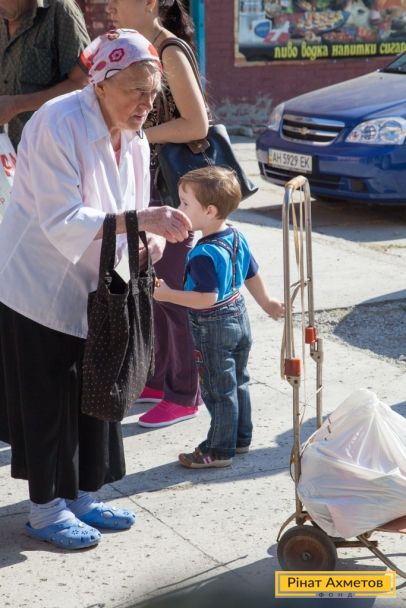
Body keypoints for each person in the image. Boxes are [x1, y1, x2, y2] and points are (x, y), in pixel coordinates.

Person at [0, 29, 192, 550]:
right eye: (135, 92)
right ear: (101, 84)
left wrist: (151, 240)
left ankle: (85, 495)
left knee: (98, 390)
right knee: (49, 401)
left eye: (153, 93)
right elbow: (63, 219)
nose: (146, 104)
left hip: (102, 286)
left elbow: (136, 210)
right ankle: (45, 509)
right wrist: (142, 221)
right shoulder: (57, 122)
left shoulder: (137, 136)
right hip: (39, 285)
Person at [106, 0, 209, 428]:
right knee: (150, 287)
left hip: (173, 189)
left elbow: (197, 124)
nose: (110, 6)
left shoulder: (169, 51)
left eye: (118, 0)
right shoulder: (140, 46)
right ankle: (161, 376)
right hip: (149, 186)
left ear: (150, 3)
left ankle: (185, 393)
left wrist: (138, 134)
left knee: (172, 292)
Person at [154, 167, 285, 468]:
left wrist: (167, 294)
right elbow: (251, 272)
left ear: (210, 211)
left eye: (185, 203)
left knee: (217, 389)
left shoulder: (203, 254)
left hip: (213, 326)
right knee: (238, 380)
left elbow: (206, 298)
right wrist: (266, 302)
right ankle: (240, 438)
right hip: (238, 315)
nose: (179, 208)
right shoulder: (236, 235)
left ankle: (218, 449)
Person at [0, 0, 91, 150]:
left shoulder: (60, 10)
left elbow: (84, 84)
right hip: (7, 151)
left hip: (51, 149)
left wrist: (16, 105)